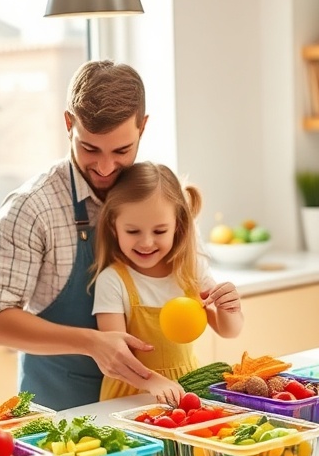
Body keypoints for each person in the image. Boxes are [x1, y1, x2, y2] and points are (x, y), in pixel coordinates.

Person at [0, 60, 156, 411]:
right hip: (60, 414)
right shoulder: (32, 207)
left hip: (144, 409)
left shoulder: (156, 197)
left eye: (122, 151)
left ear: (143, 128)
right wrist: (92, 342)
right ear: (68, 124)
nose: (105, 168)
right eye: (90, 148)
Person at [91, 162, 244, 405]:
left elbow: (229, 330)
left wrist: (231, 307)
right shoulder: (113, 280)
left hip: (186, 387)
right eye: (133, 231)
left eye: (160, 231)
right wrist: (151, 381)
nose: (146, 242)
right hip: (131, 393)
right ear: (113, 226)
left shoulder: (191, 270)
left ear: (178, 226)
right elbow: (115, 356)